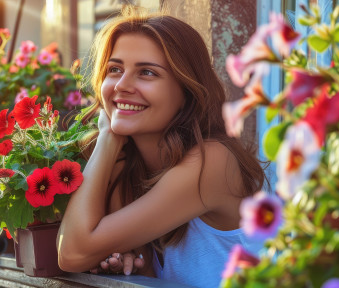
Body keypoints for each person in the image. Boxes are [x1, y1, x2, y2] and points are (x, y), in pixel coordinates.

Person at [57, 7, 267, 288]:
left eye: (146, 73)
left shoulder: (212, 161)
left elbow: (73, 252)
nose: (121, 85)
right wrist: (126, 257)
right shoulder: (129, 164)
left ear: (187, 91)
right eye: (115, 69)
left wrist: (107, 137)